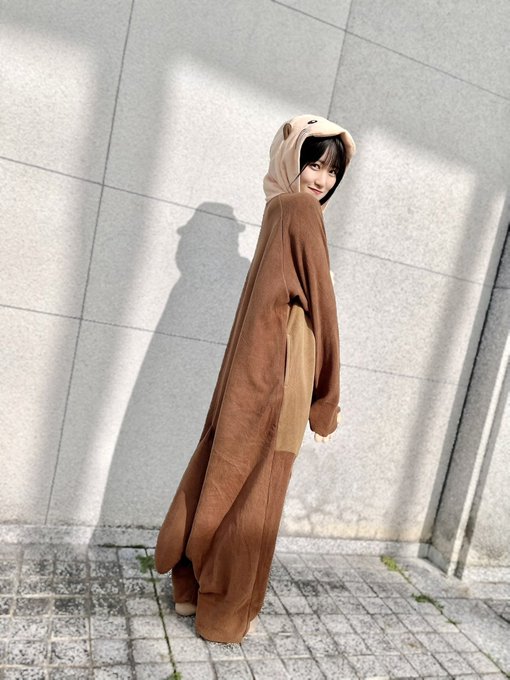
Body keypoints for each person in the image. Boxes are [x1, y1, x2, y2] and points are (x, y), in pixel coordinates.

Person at [154, 114, 356, 644]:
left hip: (249, 370)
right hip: (283, 372)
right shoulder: (300, 211)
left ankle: (189, 585)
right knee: (259, 496)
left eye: (332, 171)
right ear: (291, 160)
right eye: (313, 164)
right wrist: (326, 400)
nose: (322, 179)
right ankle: (224, 615)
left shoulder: (276, 208)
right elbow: (323, 311)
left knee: (222, 473)